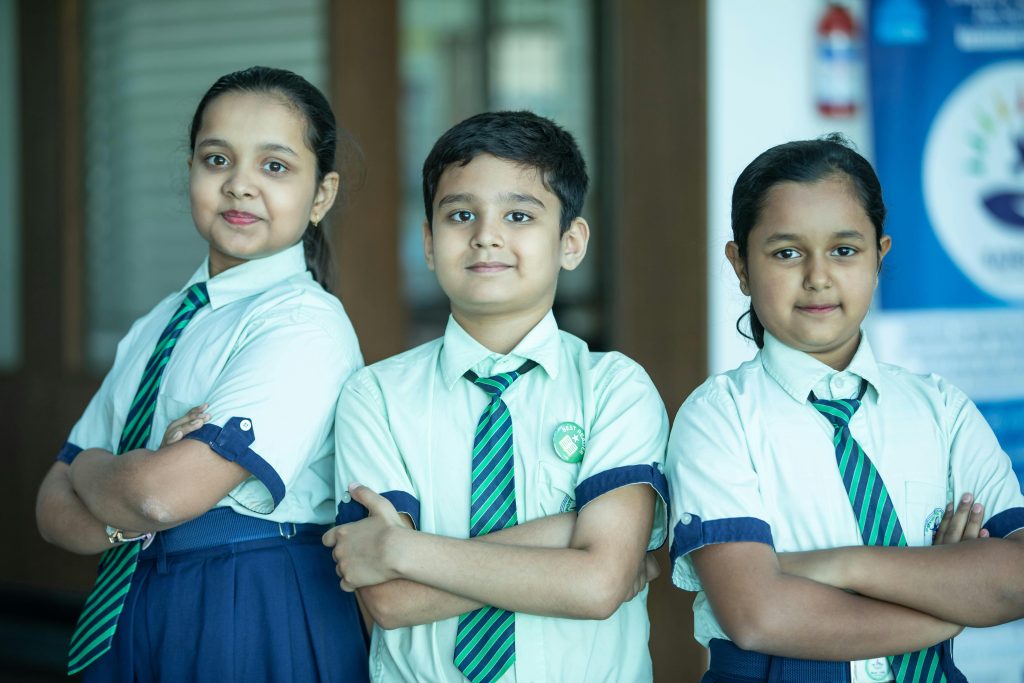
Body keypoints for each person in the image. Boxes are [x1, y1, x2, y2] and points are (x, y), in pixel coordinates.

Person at [35, 66, 369, 682]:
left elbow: (160, 495)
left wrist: (94, 469)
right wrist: (124, 497)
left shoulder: (304, 326)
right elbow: (51, 509)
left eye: (274, 167)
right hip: (133, 601)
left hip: (249, 605)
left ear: (320, 195)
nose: (240, 186)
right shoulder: (157, 323)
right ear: (191, 172)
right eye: (217, 160)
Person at [321, 110, 669, 682]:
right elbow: (390, 602)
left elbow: (600, 585)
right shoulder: (376, 395)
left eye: (518, 214)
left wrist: (402, 551)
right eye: (461, 215)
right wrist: (572, 529)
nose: (487, 234)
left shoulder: (615, 387)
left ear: (571, 241)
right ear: (429, 244)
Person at [666, 134, 1024, 683]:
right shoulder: (718, 417)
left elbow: (1015, 579)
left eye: (844, 250)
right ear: (740, 264)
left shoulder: (941, 410)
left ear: (879, 255)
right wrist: (949, 595)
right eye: (786, 252)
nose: (818, 276)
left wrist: (842, 563)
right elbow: (759, 615)